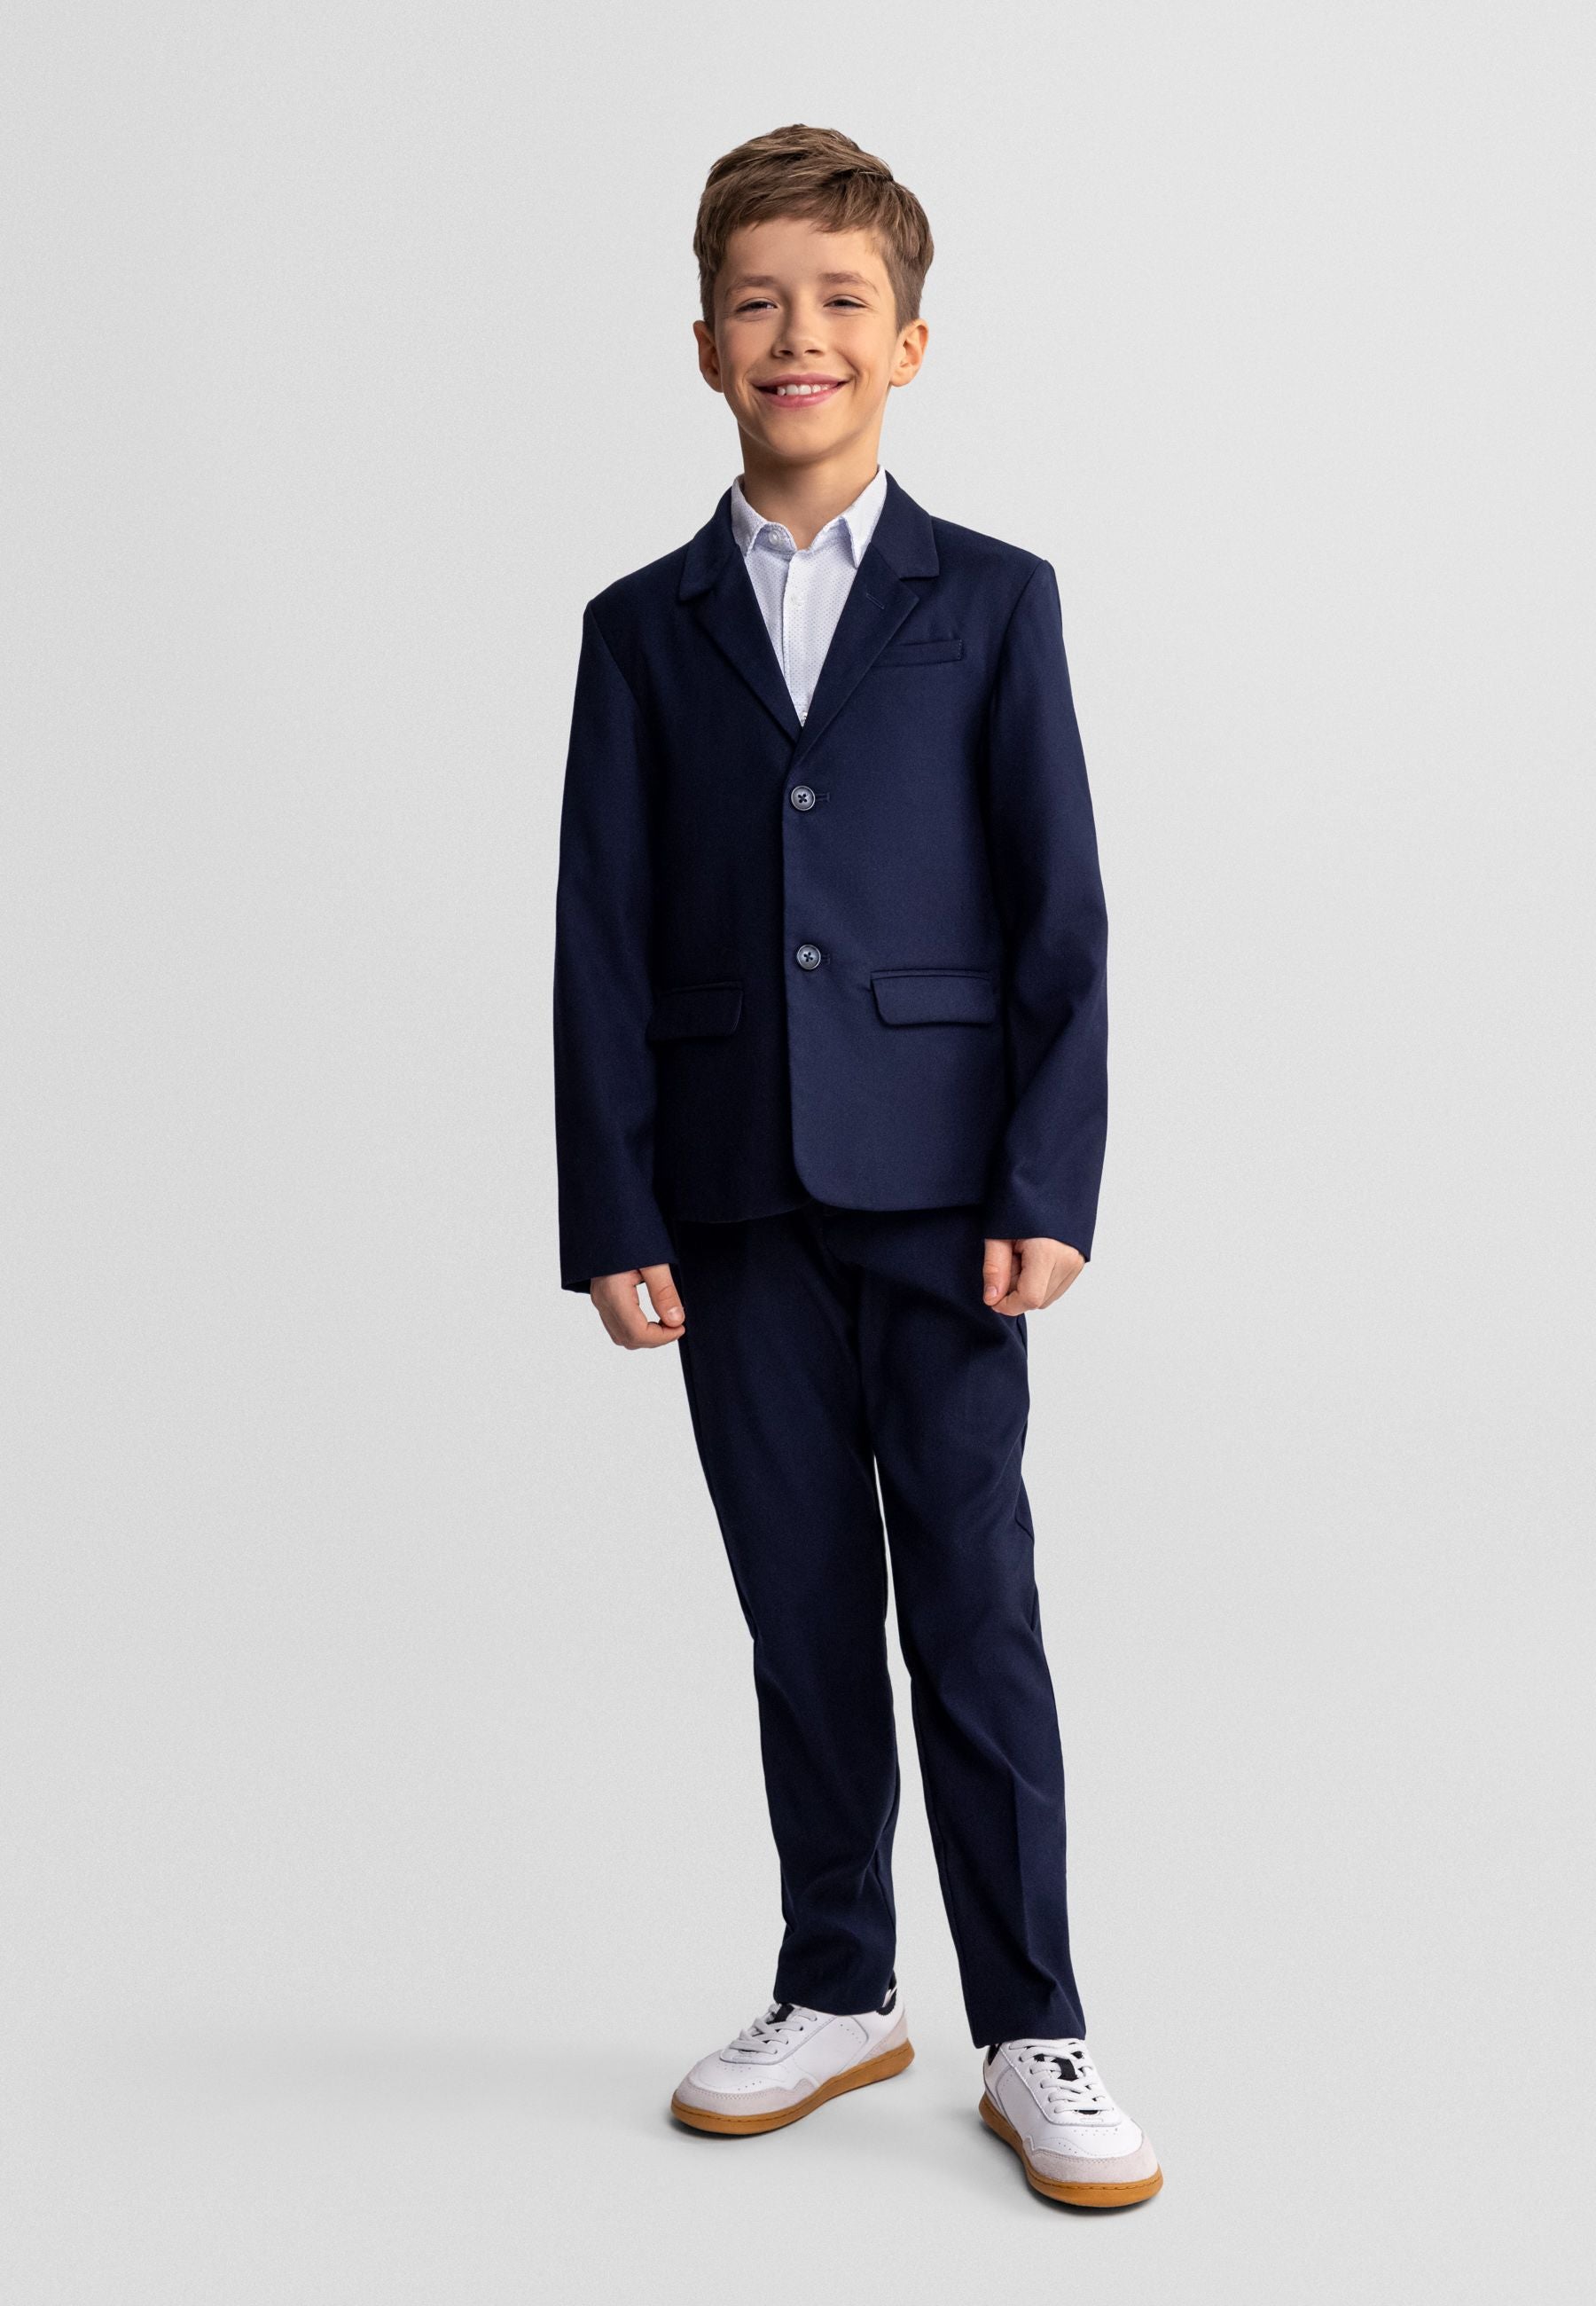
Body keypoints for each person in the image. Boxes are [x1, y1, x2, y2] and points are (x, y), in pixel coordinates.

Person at [552, 122, 1161, 2210]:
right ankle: (837, 1984)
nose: (795, 334)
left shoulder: (993, 602)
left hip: (944, 1199)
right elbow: (598, 936)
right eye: (756, 301)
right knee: (799, 1602)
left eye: (839, 302)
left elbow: (1061, 912)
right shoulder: (639, 630)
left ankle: (1034, 2023)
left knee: (971, 1602)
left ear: (907, 343)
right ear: (703, 345)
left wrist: (1049, 1179)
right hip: (731, 1195)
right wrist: (613, 1207)